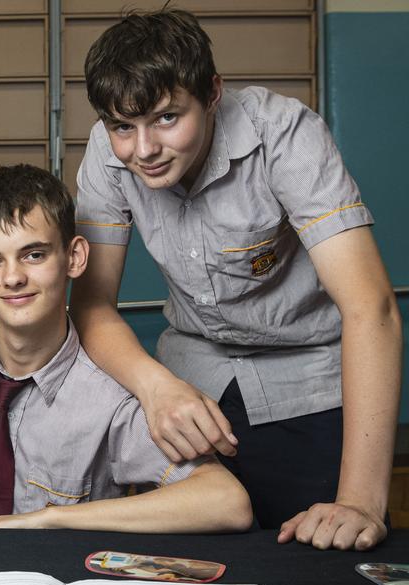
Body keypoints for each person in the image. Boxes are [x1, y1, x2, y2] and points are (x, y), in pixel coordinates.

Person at [70, 9, 401, 551]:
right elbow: (92, 305)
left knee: (320, 566)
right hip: (187, 384)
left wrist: (362, 499)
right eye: (123, 126)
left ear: (213, 93)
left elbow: (372, 309)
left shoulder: (287, 134)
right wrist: (156, 388)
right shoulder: (110, 152)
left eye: (167, 119)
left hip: (308, 384)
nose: (144, 149)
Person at [0, 164, 251, 533]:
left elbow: (227, 501)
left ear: (74, 257)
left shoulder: (113, 395)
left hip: (51, 579)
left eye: (34, 255)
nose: (12, 278)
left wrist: (52, 518)